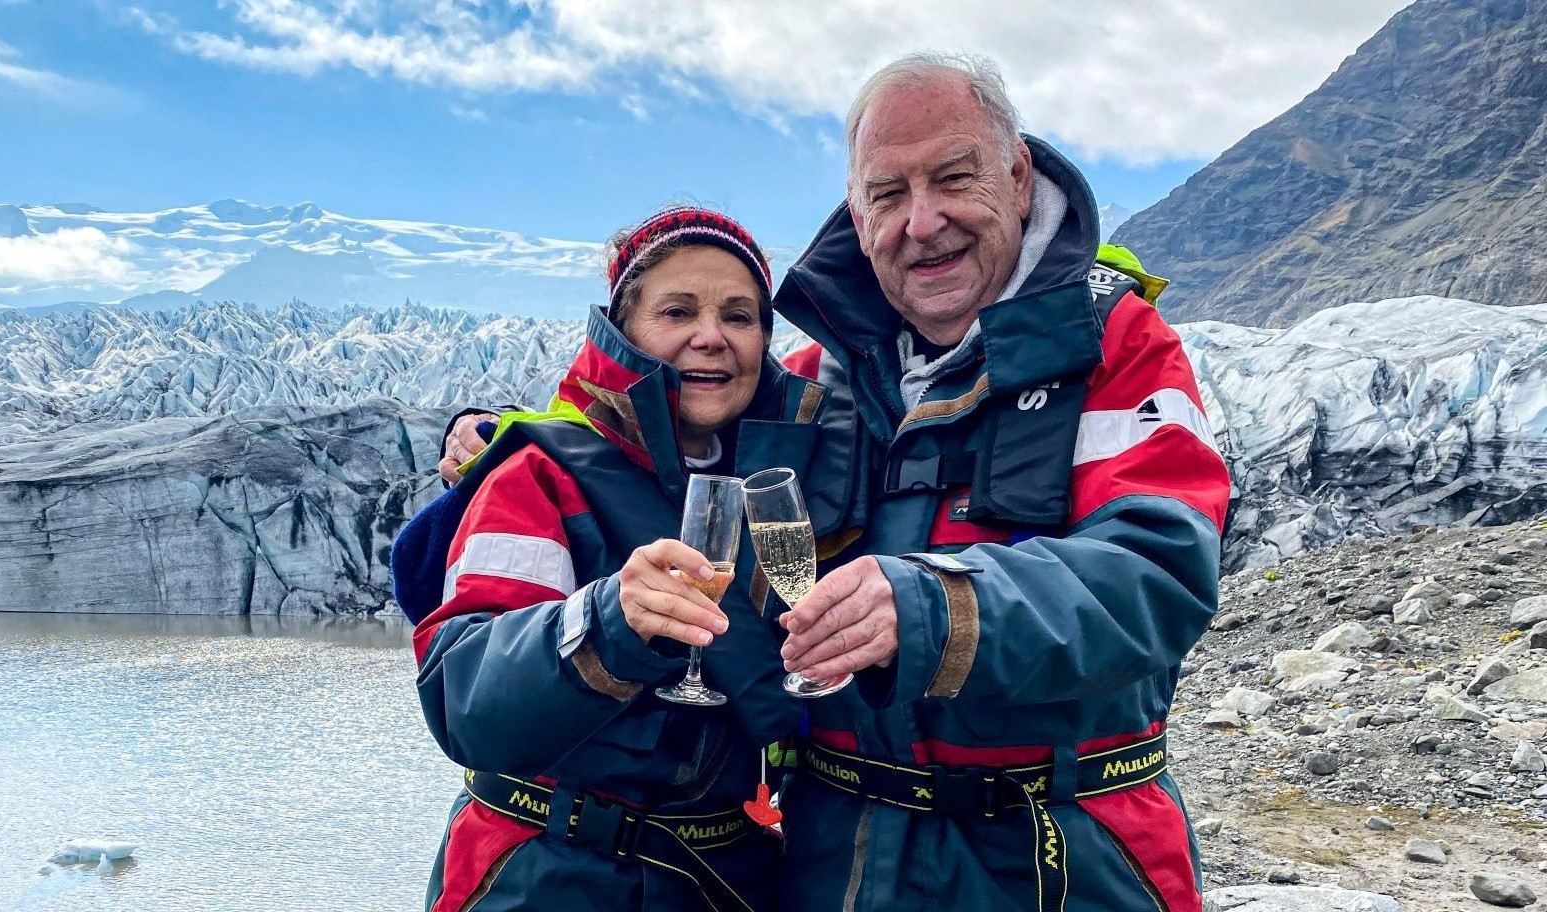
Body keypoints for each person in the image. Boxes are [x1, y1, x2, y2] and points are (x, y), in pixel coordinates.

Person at [436, 53, 1230, 912]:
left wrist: (934, 605)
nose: (922, 222)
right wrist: (504, 433)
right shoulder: (818, 383)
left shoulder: (1114, 347)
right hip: (841, 860)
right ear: (857, 212)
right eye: (887, 194)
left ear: (1017, 173)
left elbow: (1159, 574)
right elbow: (649, 430)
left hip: (1054, 858)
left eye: (952, 178)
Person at [408, 206, 830, 912]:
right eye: (677, 311)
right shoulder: (540, 478)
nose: (711, 337)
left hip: (729, 880)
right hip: (551, 875)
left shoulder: (789, 472)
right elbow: (466, 696)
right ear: (623, 331)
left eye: (739, 315)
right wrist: (605, 622)